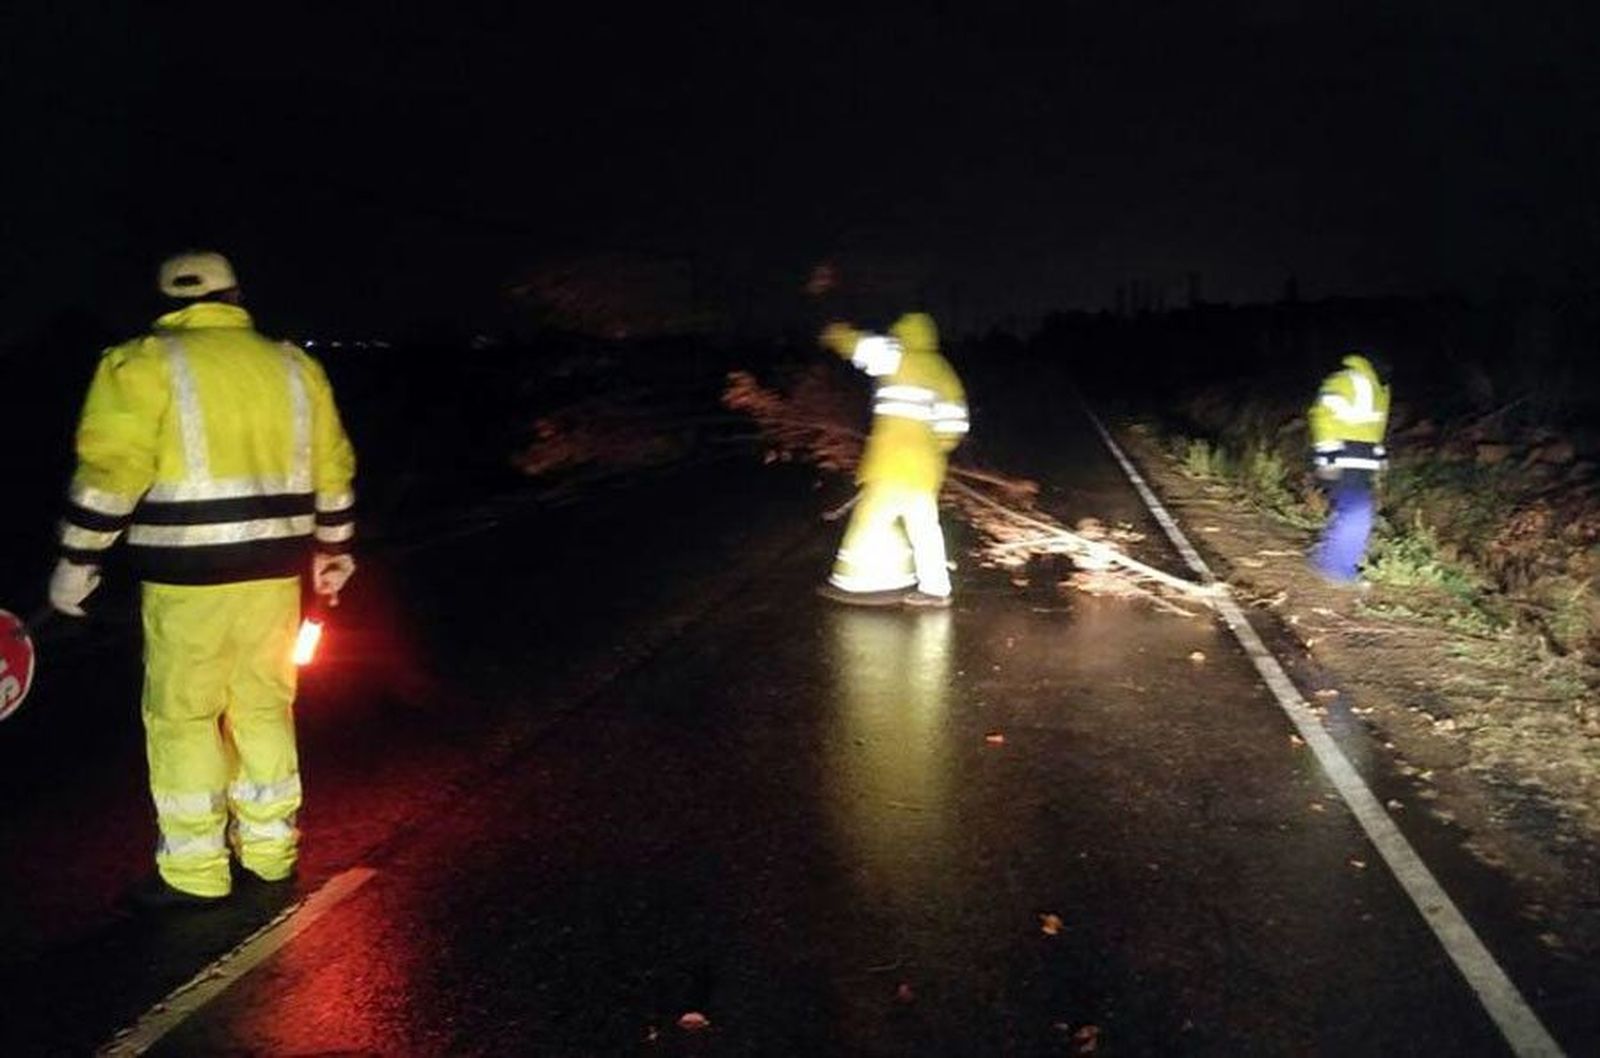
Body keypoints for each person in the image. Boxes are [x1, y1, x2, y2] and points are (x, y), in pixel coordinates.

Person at [49, 250, 357, 906]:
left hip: (185, 584)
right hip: (275, 577)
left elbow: (110, 475)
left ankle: (196, 872)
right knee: (264, 707)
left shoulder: (141, 365)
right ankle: (272, 854)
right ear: (235, 296)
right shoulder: (294, 367)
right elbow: (333, 468)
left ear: (165, 305)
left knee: (184, 718)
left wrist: (78, 562)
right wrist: (333, 552)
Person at [817, 312, 968, 607]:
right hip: (926, 468)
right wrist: (933, 447)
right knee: (924, 528)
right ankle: (936, 590)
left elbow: (859, 346)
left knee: (870, 520)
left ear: (903, 333)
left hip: (892, 463)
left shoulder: (897, 356)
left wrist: (834, 333)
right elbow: (955, 426)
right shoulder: (943, 371)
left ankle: (856, 583)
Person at [1307, 351, 1390, 585]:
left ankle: (1328, 560)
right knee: (1356, 514)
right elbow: (1322, 417)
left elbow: (1372, 428)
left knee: (1352, 512)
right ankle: (1337, 569)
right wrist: (1327, 457)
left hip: (1360, 461)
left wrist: (1379, 456)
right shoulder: (1348, 380)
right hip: (1344, 459)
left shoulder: (1378, 386)